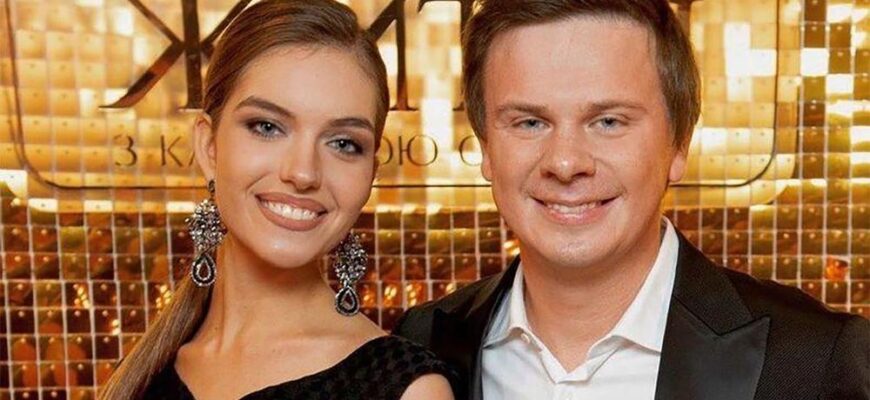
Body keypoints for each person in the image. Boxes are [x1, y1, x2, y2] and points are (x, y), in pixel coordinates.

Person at [394, 1, 870, 399]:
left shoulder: (816, 359)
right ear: (486, 148)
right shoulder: (421, 342)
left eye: (608, 121)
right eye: (530, 122)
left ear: (678, 145)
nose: (565, 162)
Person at [99, 1, 456, 399]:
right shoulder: (145, 374)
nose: (303, 173)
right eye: (267, 127)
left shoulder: (408, 388)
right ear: (209, 146)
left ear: (371, 173)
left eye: (343, 143)